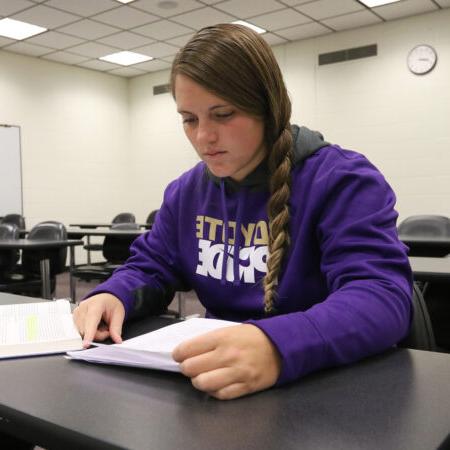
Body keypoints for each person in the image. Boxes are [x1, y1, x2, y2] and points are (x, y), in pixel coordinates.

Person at [73, 23, 412, 400]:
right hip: (217, 380)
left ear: (268, 107)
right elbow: (151, 265)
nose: (203, 137)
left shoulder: (342, 179)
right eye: (189, 119)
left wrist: (276, 344)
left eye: (223, 114)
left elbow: (381, 297)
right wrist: (114, 295)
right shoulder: (186, 193)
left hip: (321, 386)